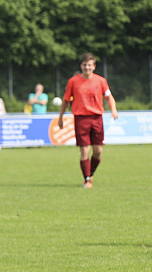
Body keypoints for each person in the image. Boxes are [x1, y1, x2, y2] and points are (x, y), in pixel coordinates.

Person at [57, 52, 118, 188]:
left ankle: (90, 173)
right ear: (81, 66)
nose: (87, 68)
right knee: (84, 150)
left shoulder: (100, 81)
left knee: (98, 151)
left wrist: (113, 109)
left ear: (94, 66)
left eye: (89, 65)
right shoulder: (73, 81)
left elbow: (109, 97)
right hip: (81, 119)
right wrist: (60, 117)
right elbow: (66, 101)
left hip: (97, 118)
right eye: (85, 65)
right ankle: (87, 179)